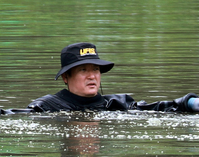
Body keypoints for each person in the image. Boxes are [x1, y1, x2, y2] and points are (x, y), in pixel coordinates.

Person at [24, 42, 164, 112]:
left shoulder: (118, 104)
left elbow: (161, 108)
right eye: (83, 70)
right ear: (65, 77)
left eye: (96, 69)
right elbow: (11, 114)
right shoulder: (46, 107)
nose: (92, 76)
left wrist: (185, 102)